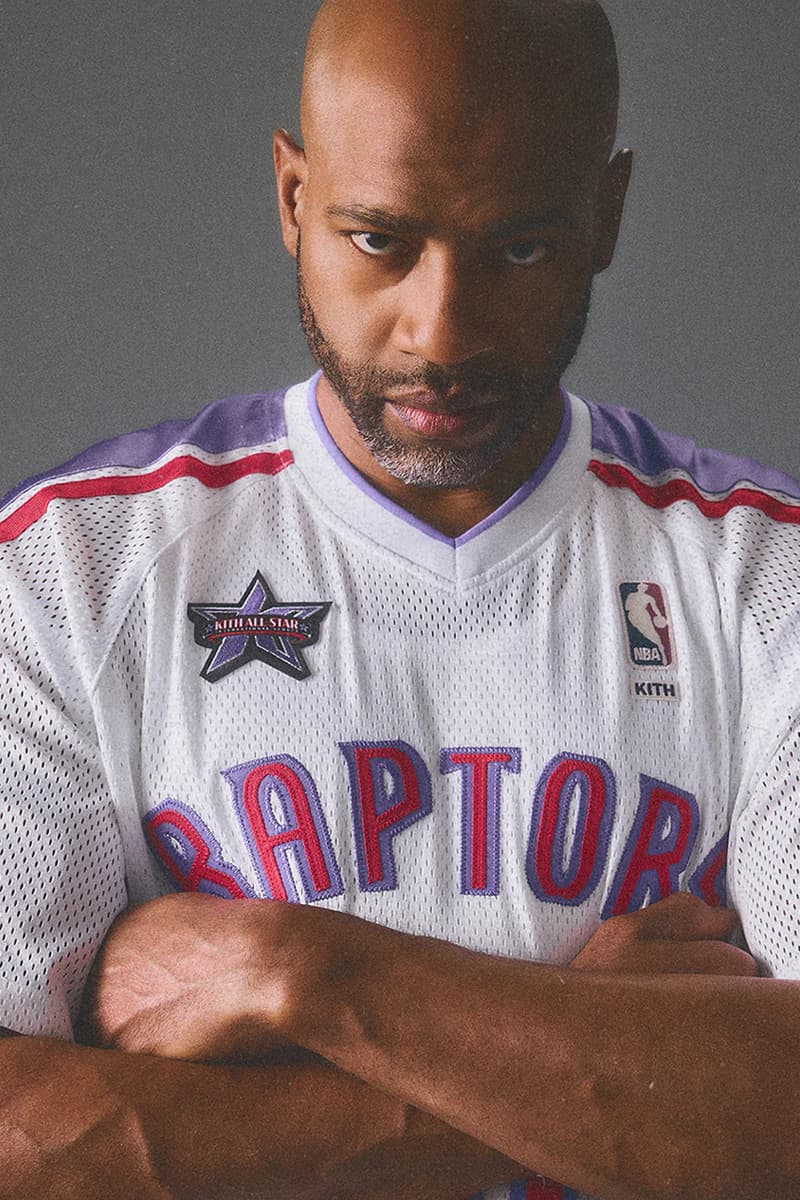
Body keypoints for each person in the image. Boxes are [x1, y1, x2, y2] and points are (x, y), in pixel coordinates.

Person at [1, 0, 799, 1197]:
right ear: (292, 197)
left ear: (605, 214)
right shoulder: (74, 566)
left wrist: (298, 970)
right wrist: (620, 1062)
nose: (441, 331)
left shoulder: (763, 575)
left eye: (519, 248)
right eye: (378, 239)